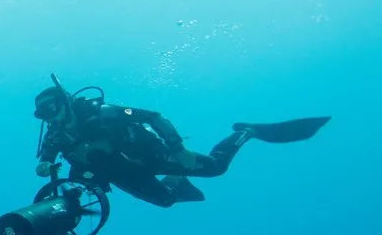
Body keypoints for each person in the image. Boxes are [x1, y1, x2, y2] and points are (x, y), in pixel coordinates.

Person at [32, 79, 330, 207]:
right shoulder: (56, 135)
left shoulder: (105, 113)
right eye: (43, 114)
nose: (50, 117)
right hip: (121, 174)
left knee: (215, 168)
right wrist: (44, 165)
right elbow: (46, 156)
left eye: (52, 108)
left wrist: (178, 150)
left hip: (152, 156)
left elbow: (154, 116)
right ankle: (178, 181)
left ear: (65, 102)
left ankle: (247, 131)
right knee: (165, 201)